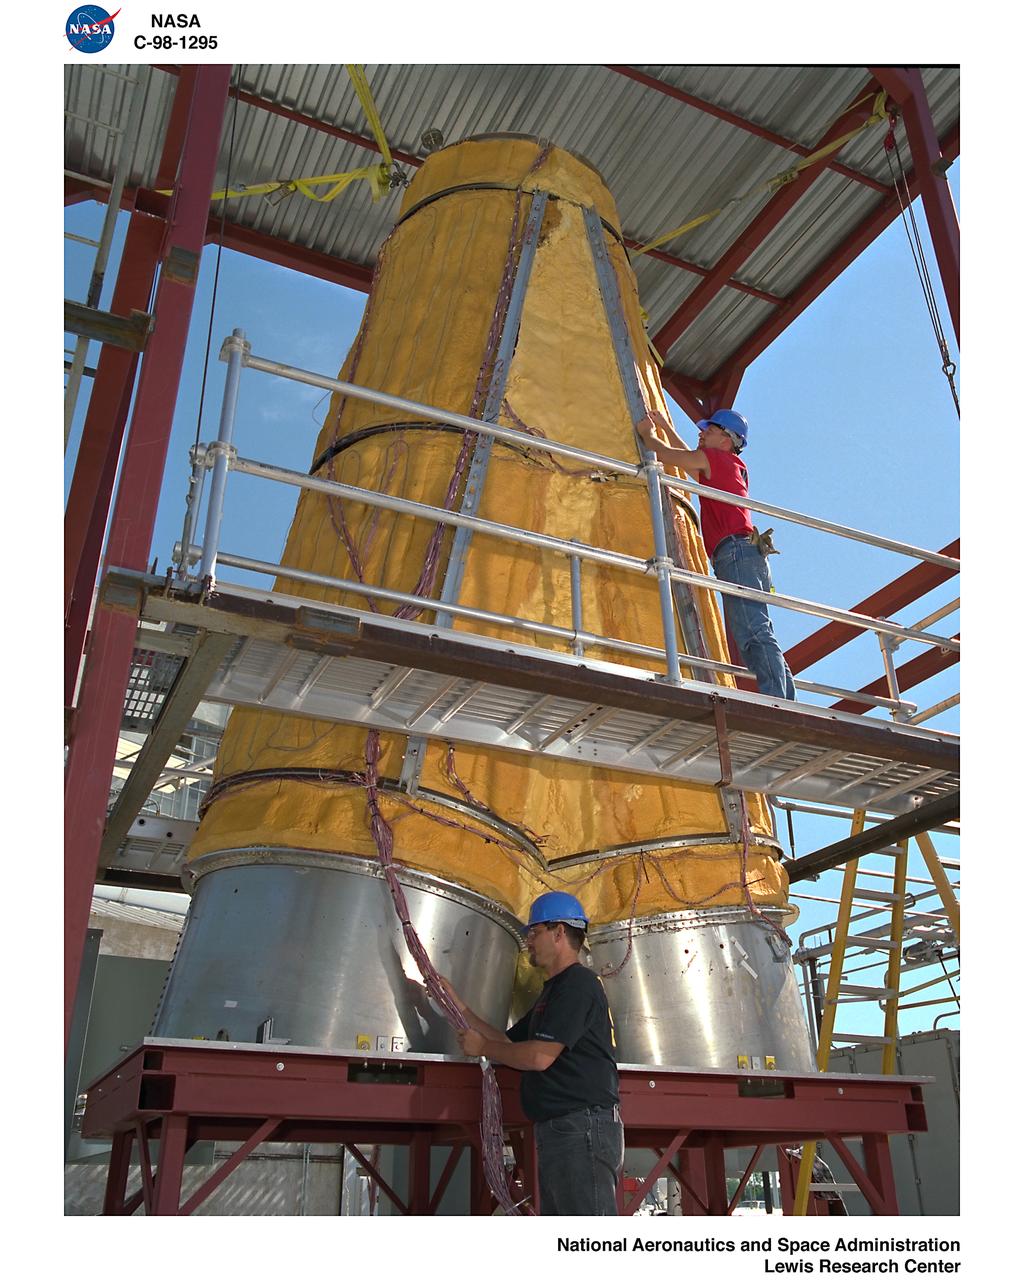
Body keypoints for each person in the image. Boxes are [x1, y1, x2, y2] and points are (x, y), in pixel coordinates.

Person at [441, 891, 623, 1216]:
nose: (528, 941)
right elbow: (511, 1045)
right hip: (564, 1129)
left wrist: (482, 1048)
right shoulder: (553, 992)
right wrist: (459, 1006)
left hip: (581, 1129)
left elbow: (539, 1058)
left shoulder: (578, 985)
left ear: (559, 932)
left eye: (534, 932)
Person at [636, 406, 796, 701]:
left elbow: (670, 456)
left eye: (709, 430)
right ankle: (782, 696)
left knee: (751, 631)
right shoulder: (724, 463)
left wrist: (648, 434)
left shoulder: (716, 459)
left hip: (735, 552)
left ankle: (778, 700)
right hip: (745, 553)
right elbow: (690, 462)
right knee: (757, 627)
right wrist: (665, 429)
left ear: (726, 439)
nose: (701, 433)